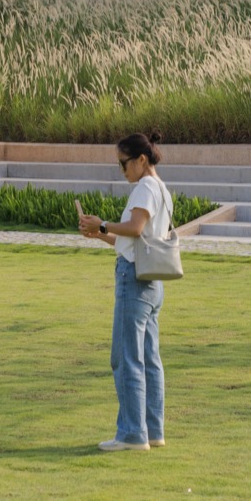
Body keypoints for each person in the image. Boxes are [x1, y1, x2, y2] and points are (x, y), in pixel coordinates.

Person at [78, 131, 172, 452]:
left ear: (141, 160)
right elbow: (133, 241)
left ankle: (132, 434)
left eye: (124, 164)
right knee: (148, 357)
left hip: (134, 279)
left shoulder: (145, 186)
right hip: (152, 279)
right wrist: (100, 234)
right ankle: (152, 430)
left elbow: (135, 229)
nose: (122, 171)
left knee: (125, 357)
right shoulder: (161, 189)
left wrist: (103, 224)